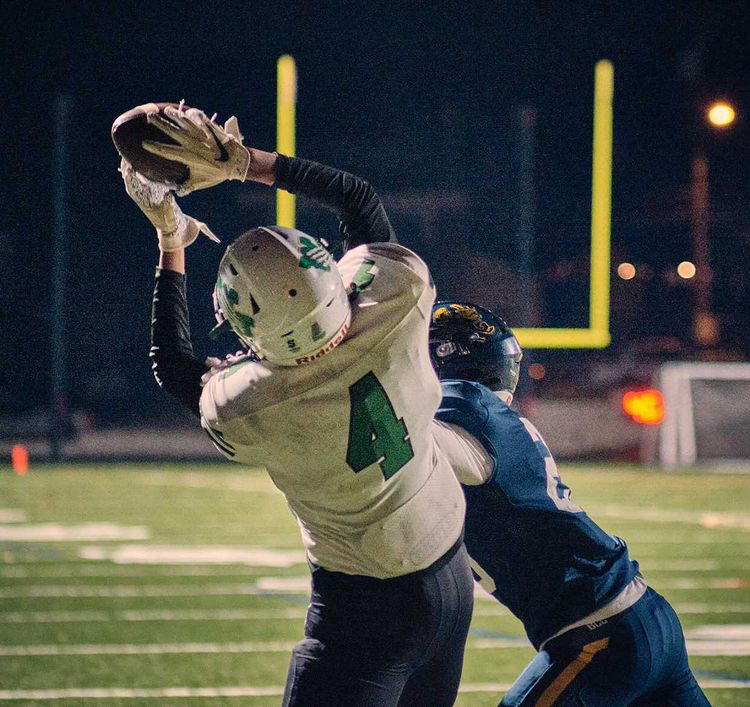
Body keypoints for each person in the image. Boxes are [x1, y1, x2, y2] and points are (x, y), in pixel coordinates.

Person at [120, 103, 474, 706]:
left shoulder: (253, 404)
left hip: (364, 607)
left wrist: (169, 240)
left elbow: (174, 367)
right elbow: (357, 199)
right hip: (450, 574)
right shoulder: (400, 299)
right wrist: (243, 162)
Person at [428, 301, 709, 706]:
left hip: (600, 635)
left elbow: (396, 431)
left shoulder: (467, 411)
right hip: (645, 616)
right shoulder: (490, 418)